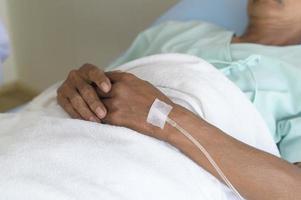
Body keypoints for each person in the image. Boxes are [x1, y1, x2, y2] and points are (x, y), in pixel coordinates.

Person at [57, 0, 301, 199]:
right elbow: (105, 91)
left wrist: (164, 118)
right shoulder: (176, 32)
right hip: (64, 146)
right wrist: (79, 89)